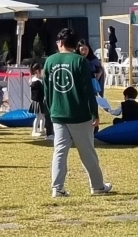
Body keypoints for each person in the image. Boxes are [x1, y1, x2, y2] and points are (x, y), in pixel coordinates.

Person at [44, 28, 112, 198]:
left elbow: (47, 90)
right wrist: (94, 113)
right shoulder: (80, 62)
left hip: (58, 113)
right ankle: (97, 186)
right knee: (87, 152)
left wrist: (52, 109)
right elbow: (88, 91)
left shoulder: (49, 61)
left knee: (59, 151)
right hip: (79, 114)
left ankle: (57, 188)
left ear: (60, 43)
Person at [29, 61, 48, 139]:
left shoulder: (39, 80)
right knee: (38, 116)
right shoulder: (35, 81)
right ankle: (34, 131)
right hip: (37, 101)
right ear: (37, 71)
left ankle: (41, 129)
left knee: (42, 116)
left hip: (41, 100)